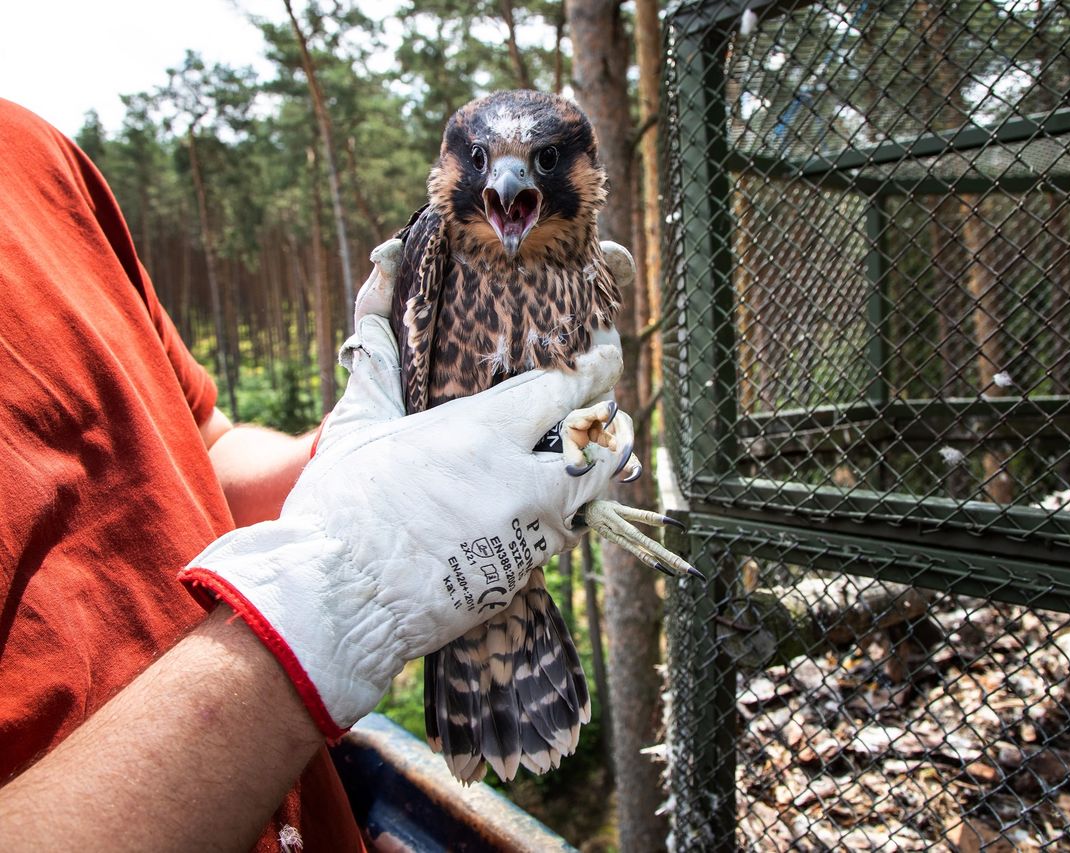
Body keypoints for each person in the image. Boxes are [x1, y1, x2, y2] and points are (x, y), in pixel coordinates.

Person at [0, 98, 628, 850]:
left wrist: (348, 454)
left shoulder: (36, 153)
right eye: (485, 160)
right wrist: (344, 581)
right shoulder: (436, 245)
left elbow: (199, 442)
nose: (511, 177)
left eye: (545, 160)